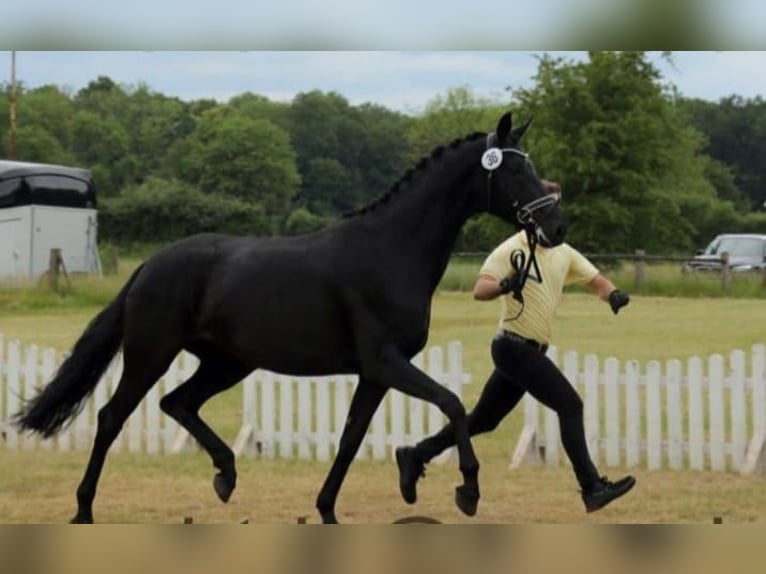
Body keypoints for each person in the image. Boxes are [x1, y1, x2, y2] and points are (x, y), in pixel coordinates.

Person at [396, 191, 635, 515]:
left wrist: (614, 295)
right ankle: (592, 487)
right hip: (512, 347)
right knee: (570, 405)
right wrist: (506, 286)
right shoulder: (512, 250)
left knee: (483, 420)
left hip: (525, 351)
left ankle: (417, 454)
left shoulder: (563, 253)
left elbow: (595, 280)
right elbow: (480, 289)